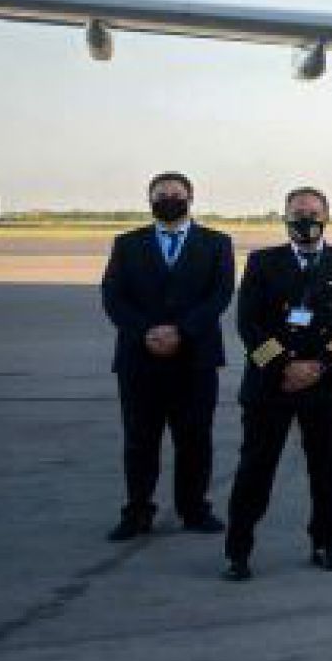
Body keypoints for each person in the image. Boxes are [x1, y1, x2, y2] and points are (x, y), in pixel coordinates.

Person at [222, 187, 332, 580]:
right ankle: (238, 551)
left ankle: (327, 543)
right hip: (271, 386)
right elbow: (247, 324)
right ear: (285, 216)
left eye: (313, 212)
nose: (305, 219)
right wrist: (284, 367)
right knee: (255, 469)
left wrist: (320, 366)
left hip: (325, 384)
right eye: (297, 212)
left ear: (327, 216)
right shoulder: (262, 262)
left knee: (325, 471)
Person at [100, 171, 235, 541]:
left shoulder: (217, 243)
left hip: (195, 359)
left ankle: (194, 508)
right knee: (140, 439)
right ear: (150, 200)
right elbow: (113, 297)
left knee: (195, 438)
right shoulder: (127, 243)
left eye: (176, 194)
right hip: (139, 359)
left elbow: (220, 295)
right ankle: (137, 510)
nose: (169, 199)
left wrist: (182, 332)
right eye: (161, 194)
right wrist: (146, 331)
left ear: (191, 198)